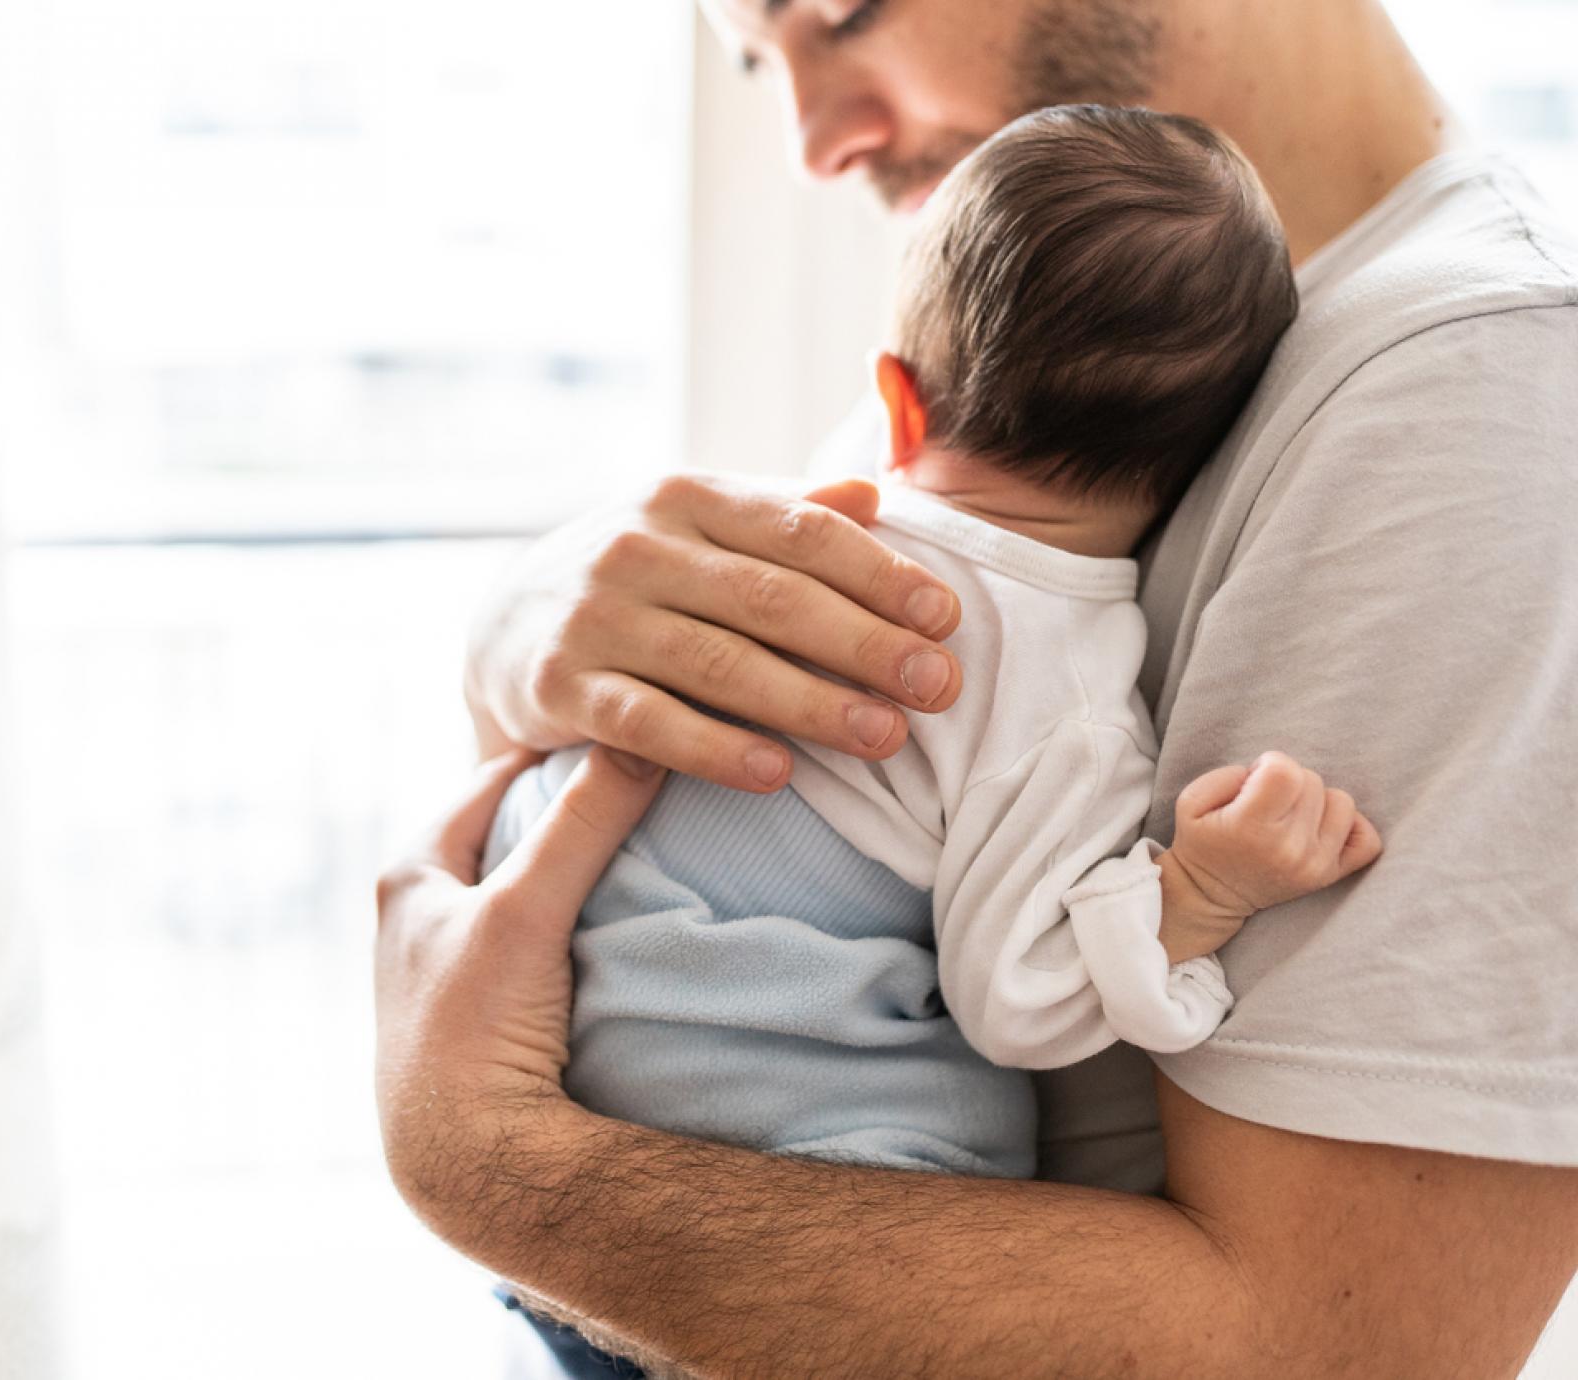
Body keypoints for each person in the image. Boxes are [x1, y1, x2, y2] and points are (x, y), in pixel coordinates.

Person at [375, 0, 1578, 1374]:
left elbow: (1320, 1353)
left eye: (836, 13)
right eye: (758, 66)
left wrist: (478, 1158)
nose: (813, 141)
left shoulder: (1478, 392)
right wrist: (519, 637)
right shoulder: (1070, 322)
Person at [480, 105, 1385, 1373]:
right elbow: (1019, 999)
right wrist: (1196, 893)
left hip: (573, 1120)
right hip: (782, 1170)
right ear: (1198, 465)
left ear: (895, 403)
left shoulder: (778, 551)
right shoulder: (1057, 696)